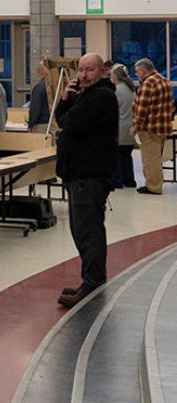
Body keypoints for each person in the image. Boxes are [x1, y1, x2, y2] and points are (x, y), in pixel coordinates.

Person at [54, 54, 119, 308]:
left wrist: (69, 105)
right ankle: (90, 279)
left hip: (89, 177)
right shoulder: (86, 95)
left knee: (88, 232)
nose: (83, 75)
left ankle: (92, 284)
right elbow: (64, 119)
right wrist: (66, 99)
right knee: (82, 231)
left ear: (102, 70)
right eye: (81, 70)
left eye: (89, 69)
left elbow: (69, 123)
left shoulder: (102, 96)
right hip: (78, 175)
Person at [131, 57, 174, 195]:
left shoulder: (148, 83)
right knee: (156, 157)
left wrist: (136, 127)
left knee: (150, 159)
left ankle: (153, 186)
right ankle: (155, 183)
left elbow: (142, 109)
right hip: (163, 126)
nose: (136, 74)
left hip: (149, 128)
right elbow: (171, 105)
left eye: (137, 71)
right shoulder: (164, 80)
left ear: (142, 71)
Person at [112, 64, 137, 191]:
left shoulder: (117, 91)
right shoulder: (131, 89)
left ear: (115, 76)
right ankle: (130, 180)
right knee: (127, 155)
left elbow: (112, 110)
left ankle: (118, 180)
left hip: (120, 127)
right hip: (130, 127)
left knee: (117, 156)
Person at [27, 59, 51, 132]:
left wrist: (30, 124)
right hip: (51, 124)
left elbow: (35, 108)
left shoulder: (39, 87)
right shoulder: (54, 86)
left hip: (41, 125)